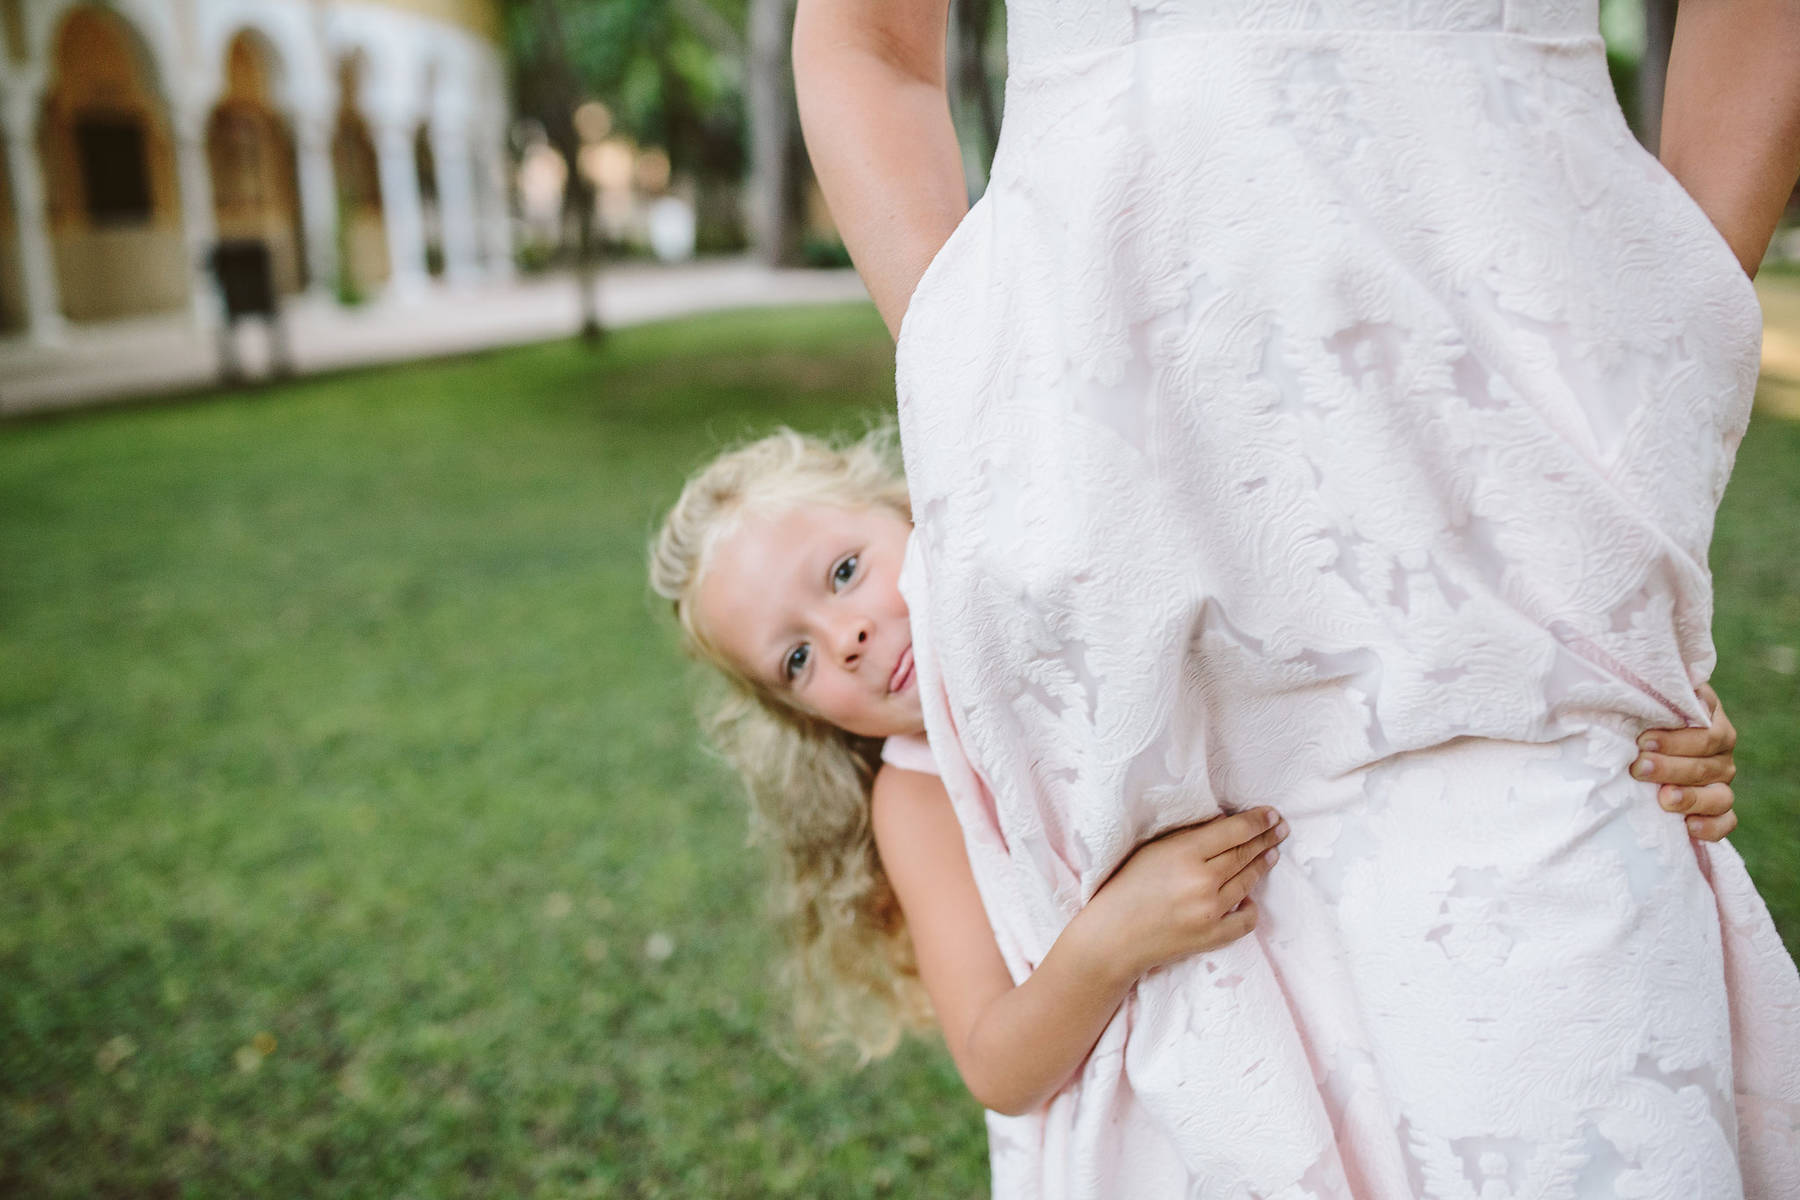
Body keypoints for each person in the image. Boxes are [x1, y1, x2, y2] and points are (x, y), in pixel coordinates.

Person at [791, 0, 1800, 1194]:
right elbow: (866, 39)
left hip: (1515, 469)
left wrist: (1672, 315)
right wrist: (990, 380)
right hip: (1123, 520)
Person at [647, 426, 1749, 1120]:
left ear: (908, 512)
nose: (842, 636)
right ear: (795, 713)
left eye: (845, 571)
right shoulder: (917, 791)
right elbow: (995, 1066)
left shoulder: (1084, 605)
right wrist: (1111, 938)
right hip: (1204, 1096)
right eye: (795, 657)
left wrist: (1628, 723)